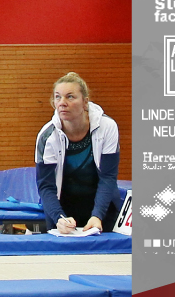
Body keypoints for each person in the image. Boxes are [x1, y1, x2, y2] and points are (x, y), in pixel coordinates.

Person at [36, 72, 120, 234]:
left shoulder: (107, 127)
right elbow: (46, 186)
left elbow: (108, 177)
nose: (62, 103)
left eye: (70, 97)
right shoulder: (47, 136)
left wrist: (97, 215)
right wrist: (59, 217)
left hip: (102, 208)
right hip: (63, 211)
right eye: (58, 97)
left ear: (85, 103)